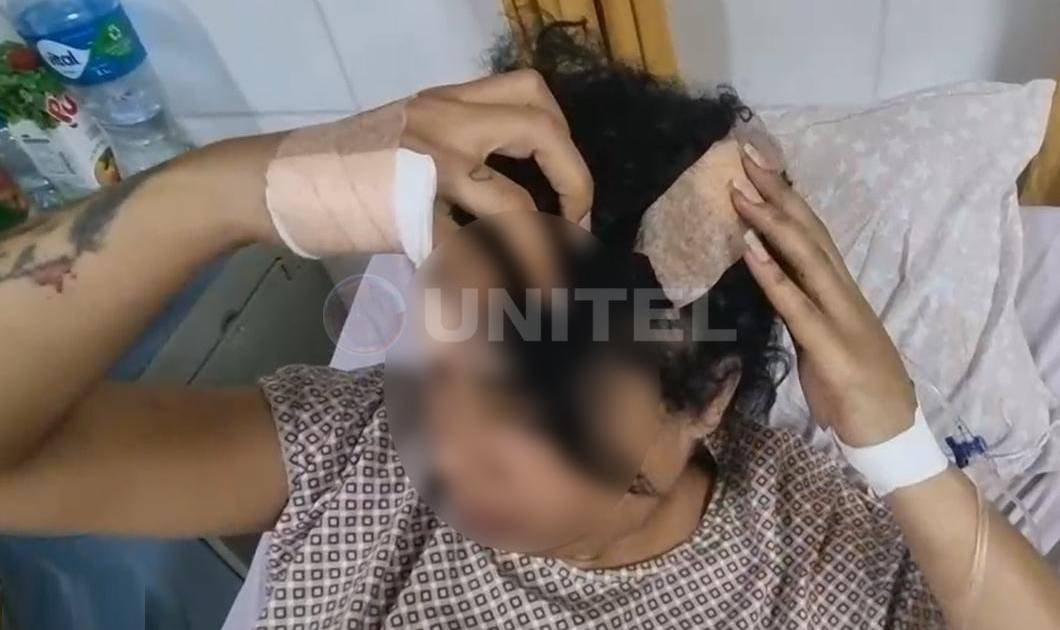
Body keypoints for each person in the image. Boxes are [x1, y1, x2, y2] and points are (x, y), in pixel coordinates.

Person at [1, 29, 1059, 629]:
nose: (451, 447)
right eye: (437, 360)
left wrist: (900, 447)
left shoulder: (822, 558)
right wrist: (237, 189)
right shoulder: (354, 454)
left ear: (707, 395)